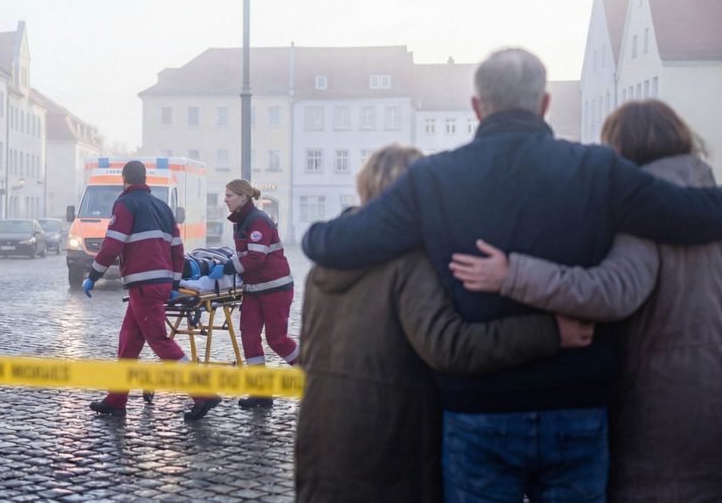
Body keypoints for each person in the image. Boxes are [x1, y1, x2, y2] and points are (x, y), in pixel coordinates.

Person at [301, 48, 722, 502]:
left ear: (477, 107)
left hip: (479, 410)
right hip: (576, 405)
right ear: (544, 104)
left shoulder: (434, 179)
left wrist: (317, 232)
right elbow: (698, 214)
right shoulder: (596, 169)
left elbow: (335, 244)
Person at [449, 100, 722, 502]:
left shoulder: (649, 212)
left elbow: (612, 293)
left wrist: (513, 275)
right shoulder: (709, 204)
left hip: (662, 403)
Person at [298, 144, 593, 502]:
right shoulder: (407, 263)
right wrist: (548, 331)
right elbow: (450, 346)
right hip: (388, 442)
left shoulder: (325, 262)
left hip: (323, 434)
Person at [82, 160, 221, 421]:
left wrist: (93, 275)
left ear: (125, 180)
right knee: (129, 342)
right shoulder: (162, 207)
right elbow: (178, 249)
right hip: (156, 284)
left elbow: (112, 244)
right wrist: (175, 283)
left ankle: (203, 392)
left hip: (143, 284)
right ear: (144, 179)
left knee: (160, 341)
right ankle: (116, 399)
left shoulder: (125, 205)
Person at [206, 179, 296, 409]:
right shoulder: (241, 220)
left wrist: (227, 267)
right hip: (254, 291)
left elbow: (256, 257)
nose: (225, 199)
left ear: (243, 197)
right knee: (249, 337)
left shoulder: (258, 220)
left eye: (229, 195)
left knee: (277, 340)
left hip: (275, 288)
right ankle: (261, 391)